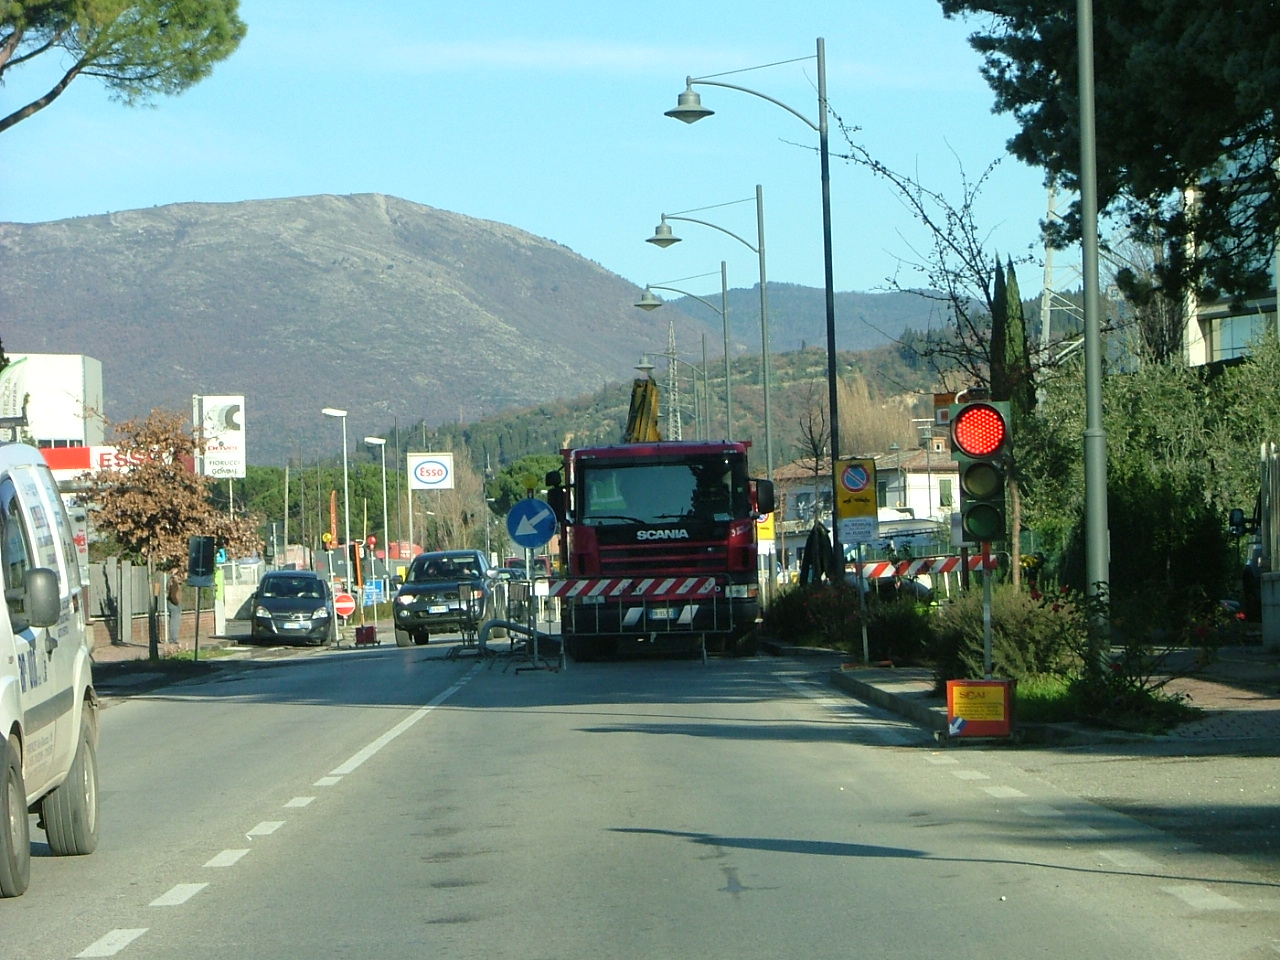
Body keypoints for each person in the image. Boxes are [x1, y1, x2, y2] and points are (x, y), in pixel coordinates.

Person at [167, 572, 183, 644]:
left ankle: (173, 638)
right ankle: (173, 638)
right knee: (175, 622)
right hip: (174, 605)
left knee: (174, 622)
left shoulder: (172, 584)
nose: (180, 578)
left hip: (172, 604)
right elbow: (173, 596)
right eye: (178, 577)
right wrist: (176, 603)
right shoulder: (174, 585)